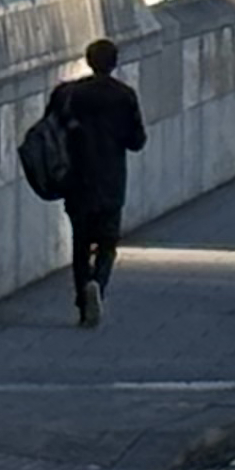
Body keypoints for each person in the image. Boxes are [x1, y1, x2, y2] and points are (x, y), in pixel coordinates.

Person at [43, 38, 146, 327]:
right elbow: (137, 141)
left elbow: (49, 130)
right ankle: (98, 284)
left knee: (80, 240)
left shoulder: (68, 94)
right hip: (111, 179)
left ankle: (82, 294)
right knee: (107, 242)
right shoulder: (124, 96)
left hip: (76, 178)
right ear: (114, 63)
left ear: (89, 61)